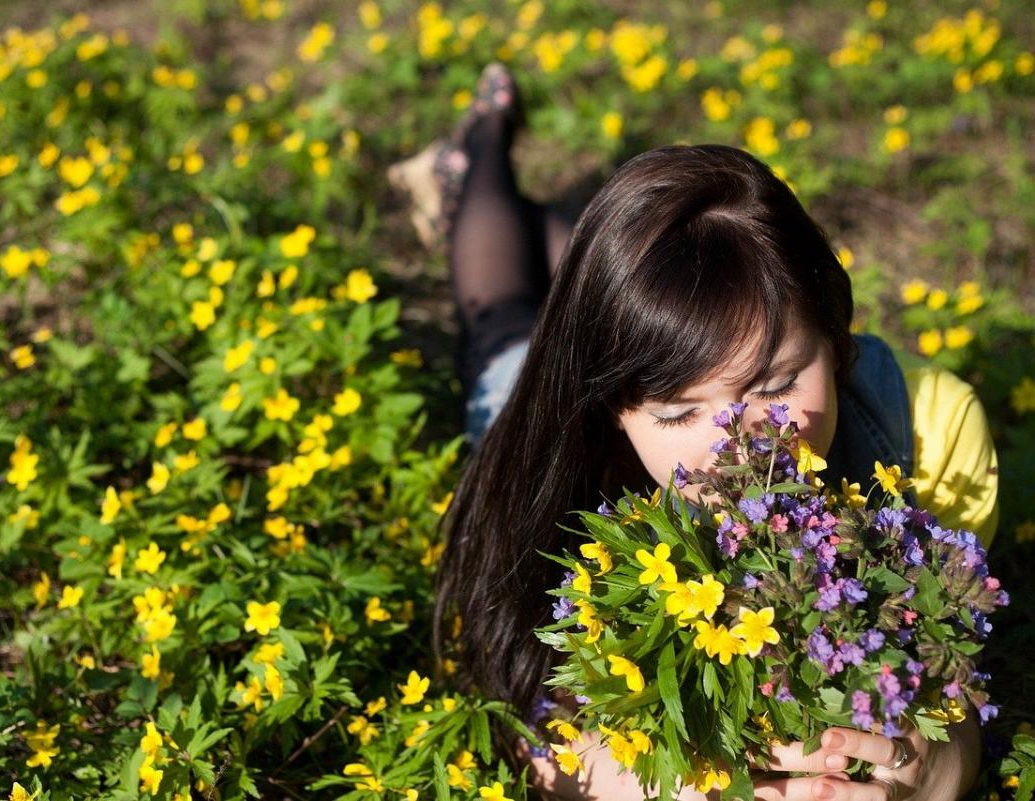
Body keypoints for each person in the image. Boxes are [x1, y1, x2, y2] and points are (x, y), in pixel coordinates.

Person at [390, 62, 1000, 801]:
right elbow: (515, 695)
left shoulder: (927, 428)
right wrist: (658, 786)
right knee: (503, 313)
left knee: (652, 288)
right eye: (679, 412)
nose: (740, 444)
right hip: (530, 390)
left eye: (776, 385)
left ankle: (603, 262)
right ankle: (478, 147)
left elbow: (947, 670)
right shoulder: (568, 458)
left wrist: (937, 770)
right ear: (611, 406)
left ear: (838, 344)